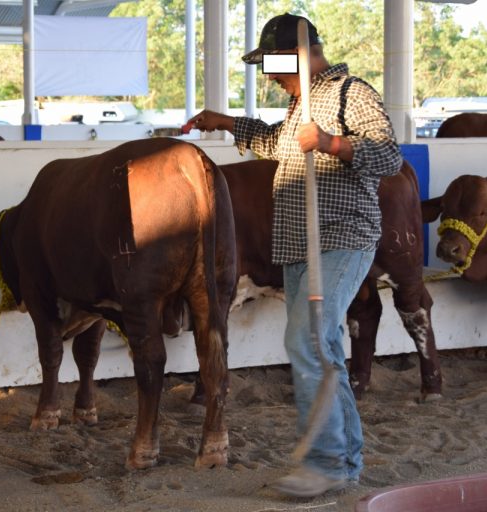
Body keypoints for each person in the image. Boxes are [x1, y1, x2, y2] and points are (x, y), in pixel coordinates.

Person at [188, 13, 402, 498]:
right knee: (321, 347)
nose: (270, 76)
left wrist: (330, 142)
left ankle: (323, 463)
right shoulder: (299, 105)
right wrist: (227, 123)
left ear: (297, 56)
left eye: (272, 65)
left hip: (341, 236)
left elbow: (390, 156)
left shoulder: (350, 93)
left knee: (308, 340)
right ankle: (343, 461)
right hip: (298, 244)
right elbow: (275, 145)